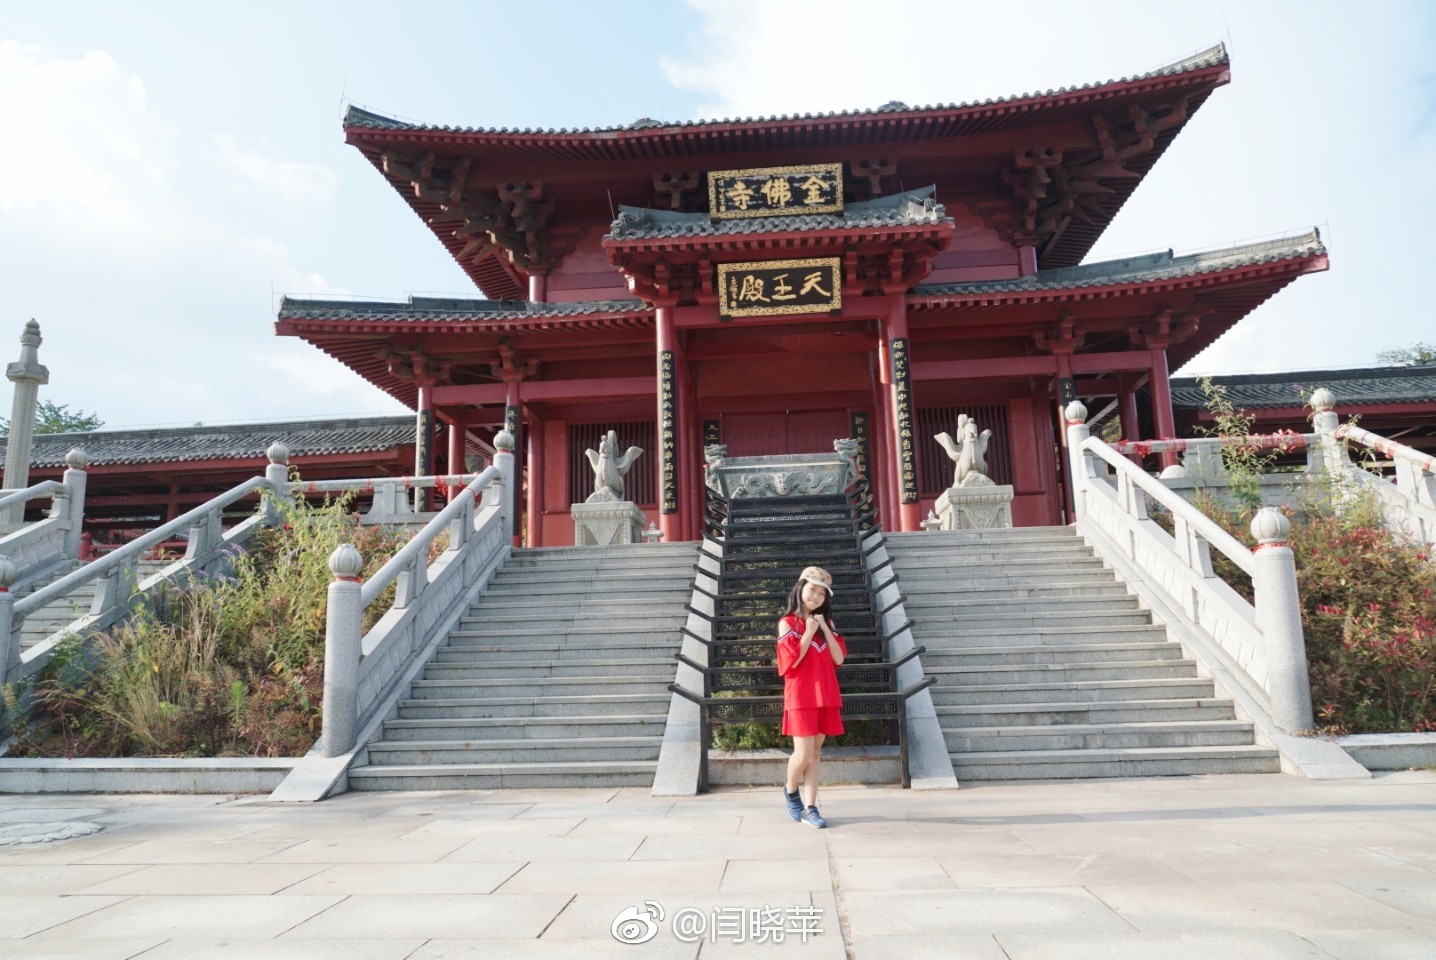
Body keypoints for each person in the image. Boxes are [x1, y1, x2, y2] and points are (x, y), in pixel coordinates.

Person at [776, 565, 846, 828]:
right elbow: (791, 663)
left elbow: (839, 658)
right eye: (812, 590)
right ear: (800, 588)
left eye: (821, 594)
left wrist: (824, 629)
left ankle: (811, 808)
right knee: (803, 753)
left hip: (825, 693)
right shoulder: (787, 623)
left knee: (815, 753)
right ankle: (791, 789)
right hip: (801, 695)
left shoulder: (827, 624)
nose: (816, 596)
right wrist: (807, 632)